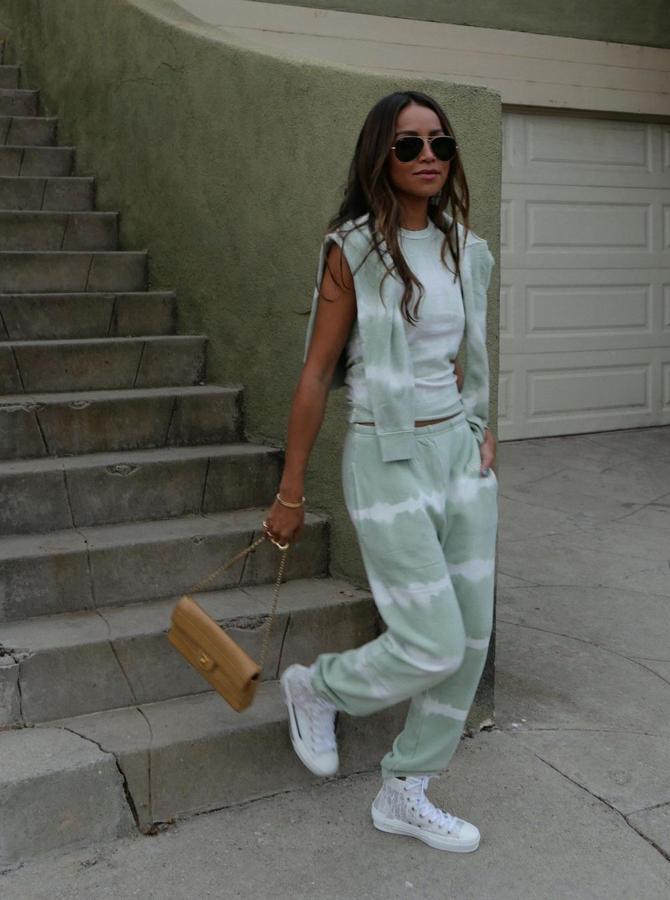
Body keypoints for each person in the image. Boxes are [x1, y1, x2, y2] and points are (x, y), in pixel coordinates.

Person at [263, 90, 498, 854]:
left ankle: (407, 789)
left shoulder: (468, 248)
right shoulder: (354, 249)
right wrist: (290, 489)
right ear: (380, 157)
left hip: (459, 459)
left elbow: (464, 353)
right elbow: (317, 370)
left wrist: (479, 424)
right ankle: (318, 686)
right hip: (387, 456)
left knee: (468, 640)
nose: (429, 156)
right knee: (430, 640)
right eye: (408, 145)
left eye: (440, 142)